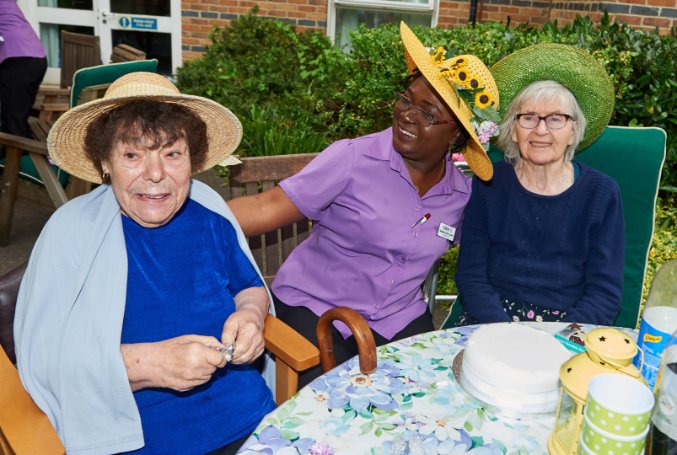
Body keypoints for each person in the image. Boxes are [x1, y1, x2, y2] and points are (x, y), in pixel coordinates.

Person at [227, 21, 500, 388]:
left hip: (396, 316)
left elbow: (495, 248)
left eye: (427, 112)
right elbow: (266, 207)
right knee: (335, 397)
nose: (406, 114)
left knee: (427, 394)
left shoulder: (461, 196)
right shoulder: (353, 159)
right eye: (406, 99)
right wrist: (186, 219)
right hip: (314, 305)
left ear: (455, 135)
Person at [14, 72, 275, 455]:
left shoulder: (210, 213)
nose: (155, 174)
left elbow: (250, 287)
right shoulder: (69, 233)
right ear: (105, 162)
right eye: (132, 155)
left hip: (250, 418)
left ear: (192, 160)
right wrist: (150, 364)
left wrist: (251, 316)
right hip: (135, 437)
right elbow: (45, 364)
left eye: (172, 154)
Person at [454, 43, 624, 326]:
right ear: (513, 130)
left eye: (556, 118)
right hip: (492, 320)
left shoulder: (602, 194)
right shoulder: (489, 183)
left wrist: (561, 337)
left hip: (568, 326)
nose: (541, 130)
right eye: (529, 118)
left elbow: (604, 293)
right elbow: (471, 275)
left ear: (573, 132)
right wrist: (504, 331)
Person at [0, 0, 47, 139]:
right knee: (16, 117)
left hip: (20, 61)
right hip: (32, 57)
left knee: (14, 121)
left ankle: (18, 159)